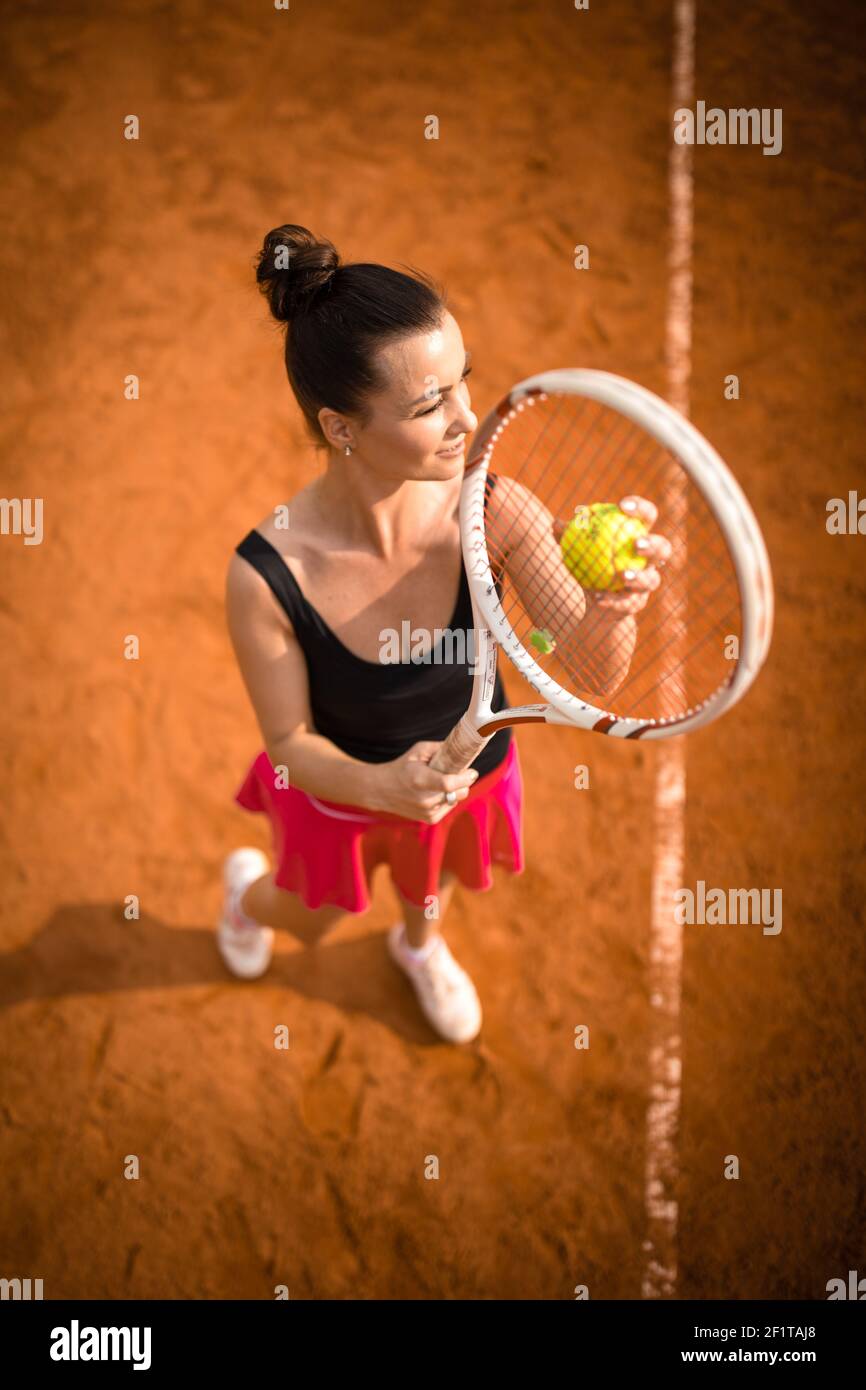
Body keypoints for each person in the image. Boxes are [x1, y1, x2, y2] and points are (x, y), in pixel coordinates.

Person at [218, 224, 521, 1044]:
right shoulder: (265, 574)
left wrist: (615, 604)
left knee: (435, 884)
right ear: (342, 427)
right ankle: (245, 897)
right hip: (338, 796)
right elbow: (288, 741)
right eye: (430, 406)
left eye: (466, 384)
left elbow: (599, 658)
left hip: (465, 781)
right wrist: (383, 788)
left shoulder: (492, 503)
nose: (469, 420)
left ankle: (418, 947)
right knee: (305, 920)